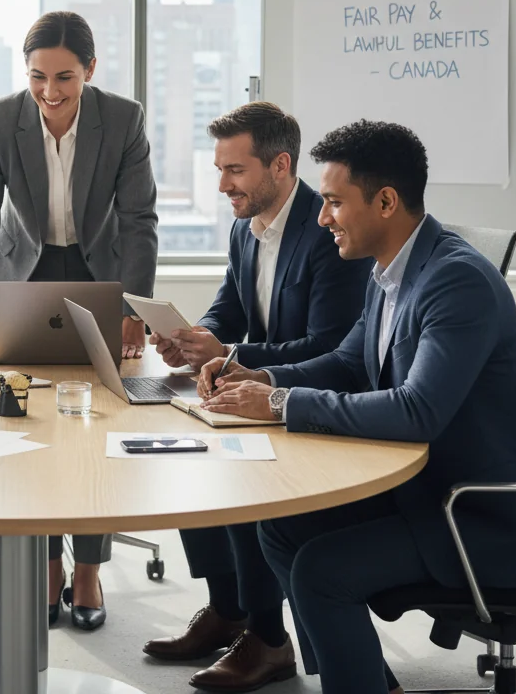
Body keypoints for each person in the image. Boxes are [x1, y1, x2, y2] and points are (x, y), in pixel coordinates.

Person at [195, 120, 516, 694]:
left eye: (333, 202)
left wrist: (278, 401)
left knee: (323, 573)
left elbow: (416, 409)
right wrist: (257, 374)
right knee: (279, 522)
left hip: (471, 515)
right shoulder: (388, 269)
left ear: (386, 201)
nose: (321, 217)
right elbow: (348, 363)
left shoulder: (456, 283)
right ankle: (371, 682)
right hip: (416, 490)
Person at [142, 102, 371, 692]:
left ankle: (268, 640)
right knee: (185, 448)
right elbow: (231, 308)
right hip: (257, 387)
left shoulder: (326, 233)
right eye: (219, 170)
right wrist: (195, 339)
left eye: (235, 171)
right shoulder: (248, 227)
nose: (222, 186)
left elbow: (330, 345)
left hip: (312, 394)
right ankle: (230, 610)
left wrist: (233, 354)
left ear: (280, 165)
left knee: (234, 478)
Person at [0, 10, 159, 631]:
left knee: (96, 422)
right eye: (38, 76)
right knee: (30, 419)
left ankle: (90, 571)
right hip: (26, 273)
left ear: (90, 70)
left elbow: (139, 222)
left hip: (101, 271)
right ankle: (46, 563)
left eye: (65, 77)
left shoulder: (123, 119)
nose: (51, 92)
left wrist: (132, 310)